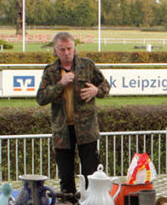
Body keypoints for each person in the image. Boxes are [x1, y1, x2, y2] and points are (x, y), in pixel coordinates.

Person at [36, 31, 111, 194]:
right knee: (66, 175)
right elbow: (41, 98)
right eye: (62, 49)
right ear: (55, 50)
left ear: (74, 48)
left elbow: (106, 85)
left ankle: (92, 204)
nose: (66, 53)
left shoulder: (87, 65)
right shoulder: (50, 71)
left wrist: (96, 90)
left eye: (69, 48)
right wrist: (60, 84)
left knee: (91, 173)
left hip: (87, 129)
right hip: (62, 131)